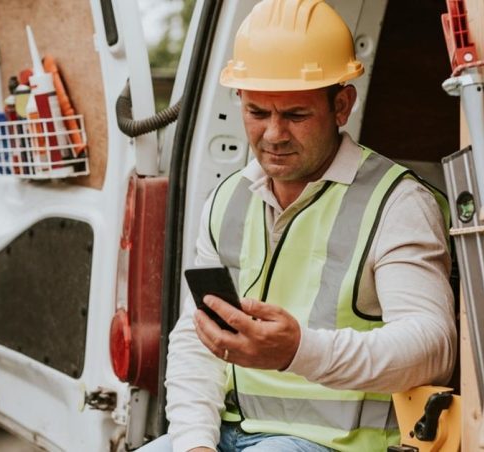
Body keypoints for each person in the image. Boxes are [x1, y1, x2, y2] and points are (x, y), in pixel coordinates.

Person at [141, 1, 456, 451]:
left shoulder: (397, 202)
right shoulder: (226, 199)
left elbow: (433, 346)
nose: (273, 135)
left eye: (295, 115)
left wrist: (297, 352)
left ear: (342, 106)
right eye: (257, 112)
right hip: (229, 436)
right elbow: (197, 339)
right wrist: (194, 443)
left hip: (339, 445)